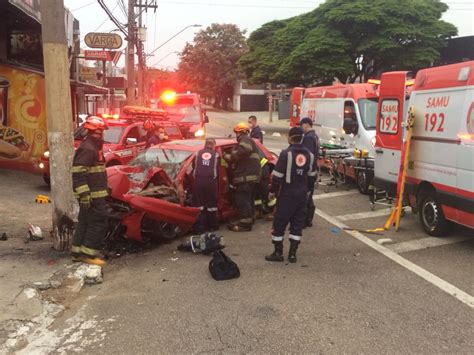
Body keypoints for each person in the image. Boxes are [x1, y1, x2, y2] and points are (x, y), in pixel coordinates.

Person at [265, 126, 317, 263]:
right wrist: (308, 192)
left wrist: (272, 192)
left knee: (279, 223)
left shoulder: (285, 154)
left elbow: (277, 177)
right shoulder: (310, 156)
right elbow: (312, 177)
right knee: (297, 224)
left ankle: (278, 253)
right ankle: (293, 254)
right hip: (301, 195)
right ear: (302, 138)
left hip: (287, 195)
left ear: (290, 138)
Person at [71, 116, 110, 266]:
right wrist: (84, 194)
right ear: (98, 132)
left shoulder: (93, 147)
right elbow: (78, 173)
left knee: (85, 222)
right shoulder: (88, 148)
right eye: (102, 131)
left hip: (93, 193)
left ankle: (77, 253)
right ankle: (89, 255)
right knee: (99, 222)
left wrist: (106, 188)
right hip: (91, 195)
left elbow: (96, 172)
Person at [224, 122, 261, 232]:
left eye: (237, 133)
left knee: (242, 199)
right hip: (251, 177)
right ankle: (250, 219)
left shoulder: (245, 139)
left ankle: (245, 224)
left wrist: (229, 156)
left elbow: (244, 150)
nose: (236, 136)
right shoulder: (247, 141)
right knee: (248, 200)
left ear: (240, 132)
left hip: (246, 177)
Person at [192, 138, 219, 233]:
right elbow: (219, 170)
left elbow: (193, 167)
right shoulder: (216, 155)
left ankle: (199, 228)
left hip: (198, 181)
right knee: (211, 205)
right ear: (213, 145)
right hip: (210, 182)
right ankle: (212, 226)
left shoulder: (197, 153)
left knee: (199, 205)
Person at [300, 117, 320, 227]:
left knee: (305, 196)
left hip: (308, 172)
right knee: (309, 195)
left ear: (306, 124)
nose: (301, 127)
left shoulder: (308, 138)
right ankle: (309, 219)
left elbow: (308, 156)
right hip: (313, 171)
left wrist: (303, 170)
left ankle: (305, 220)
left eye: (302, 125)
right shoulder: (315, 136)